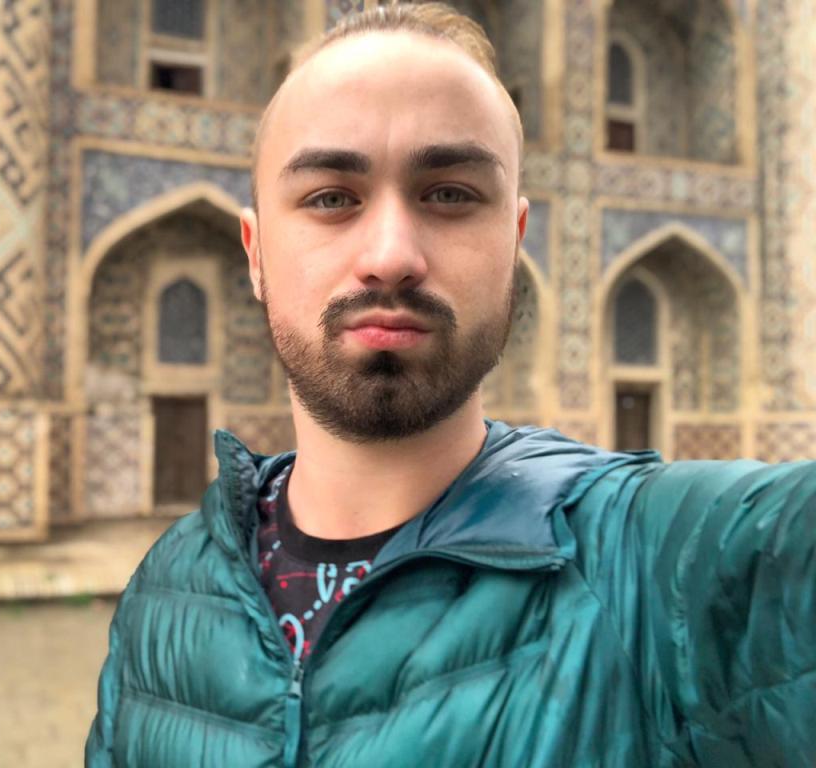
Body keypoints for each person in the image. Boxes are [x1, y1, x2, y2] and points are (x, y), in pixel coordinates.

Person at [86, 4, 816, 766]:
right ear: (255, 252)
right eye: (331, 197)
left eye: (450, 195)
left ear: (516, 244)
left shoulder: (646, 568)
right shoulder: (168, 593)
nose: (390, 255)